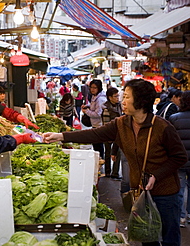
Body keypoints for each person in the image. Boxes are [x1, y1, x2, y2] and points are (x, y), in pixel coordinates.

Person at [43, 79, 187, 246]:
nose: (122, 101)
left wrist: (156, 175)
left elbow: (180, 157)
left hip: (165, 193)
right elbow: (95, 134)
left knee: (169, 236)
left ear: (140, 101)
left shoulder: (163, 127)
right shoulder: (121, 123)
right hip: (140, 191)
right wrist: (61, 136)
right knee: (147, 235)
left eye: (126, 97)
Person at [169, 90, 190, 228]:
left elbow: (169, 141)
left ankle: (181, 216)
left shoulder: (174, 118)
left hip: (180, 160)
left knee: (180, 188)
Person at [81, 79, 106, 159]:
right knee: (96, 145)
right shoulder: (95, 96)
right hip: (95, 124)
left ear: (99, 88)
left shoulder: (100, 99)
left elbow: (98, 114)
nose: (92, 89)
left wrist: (86, 111)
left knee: (98, 147)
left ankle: (100, 162)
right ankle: (98, 162)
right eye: (91, 87)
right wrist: (88, 106)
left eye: (95, 88)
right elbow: (94, 107)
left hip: (99, 125)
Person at [102, 87, 123, 179]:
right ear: (110, 97)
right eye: (115, 96)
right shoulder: (106, 109)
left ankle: (115, 172)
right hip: (109, 134)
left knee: (118, 153)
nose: (117, 98)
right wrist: (109, 136)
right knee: (108, 152)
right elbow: (106, 124)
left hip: (118, 133)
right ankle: (107, 172)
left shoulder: (119, 105)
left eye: (118, 96)